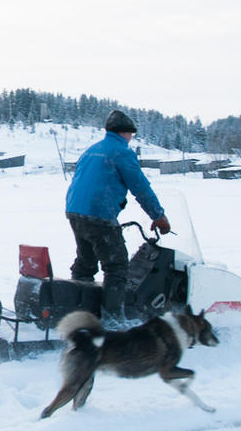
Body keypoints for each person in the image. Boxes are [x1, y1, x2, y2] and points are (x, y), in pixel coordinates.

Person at [65, 109, 171, 325]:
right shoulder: (121, 152)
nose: (131, 138)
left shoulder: (93, 150)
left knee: (85, 264)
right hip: (99, 214)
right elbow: (140, 187)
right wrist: (158, 216)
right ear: (125, 133)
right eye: (131, 134)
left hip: (75, 211)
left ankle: (75, 311)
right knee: (117, 267)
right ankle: (113, 323)